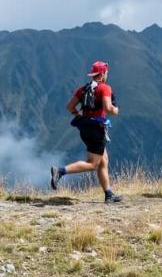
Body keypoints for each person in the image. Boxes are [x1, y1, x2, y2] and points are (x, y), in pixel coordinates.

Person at [50, 60, 122, 203]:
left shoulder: (82, 89)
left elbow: (70, 107)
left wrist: (80, 116)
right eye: (106, 73)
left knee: (103, 160)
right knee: (93, 164)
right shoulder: (104, 88)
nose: (107, 75)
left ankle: (109, 194)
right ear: (102, 74)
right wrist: (116, 110)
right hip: (97, 128)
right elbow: (108, 108)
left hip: (84, 127)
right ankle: (60, 171)